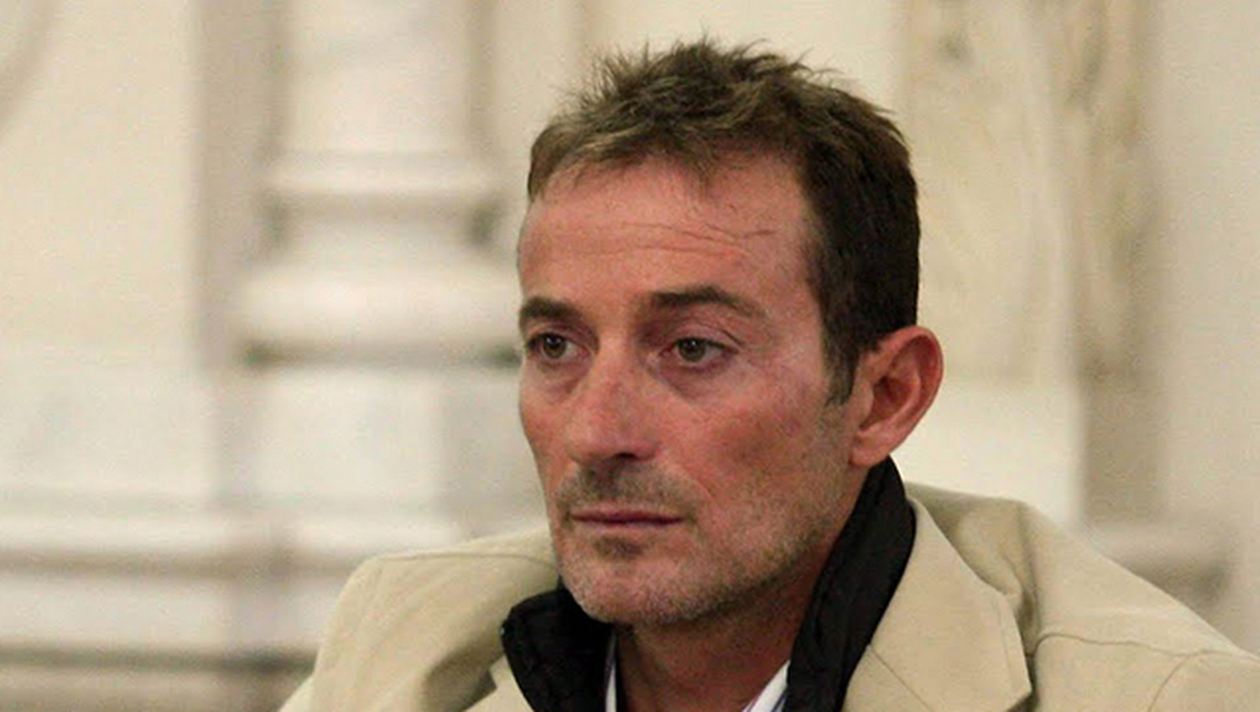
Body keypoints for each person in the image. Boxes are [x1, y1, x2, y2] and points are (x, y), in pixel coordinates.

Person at [279, 40, 1260, 712]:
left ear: (884, 398)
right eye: (557, 347)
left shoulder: (1152, 697)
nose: (595, 432)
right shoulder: (405, 657)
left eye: (692, 349)